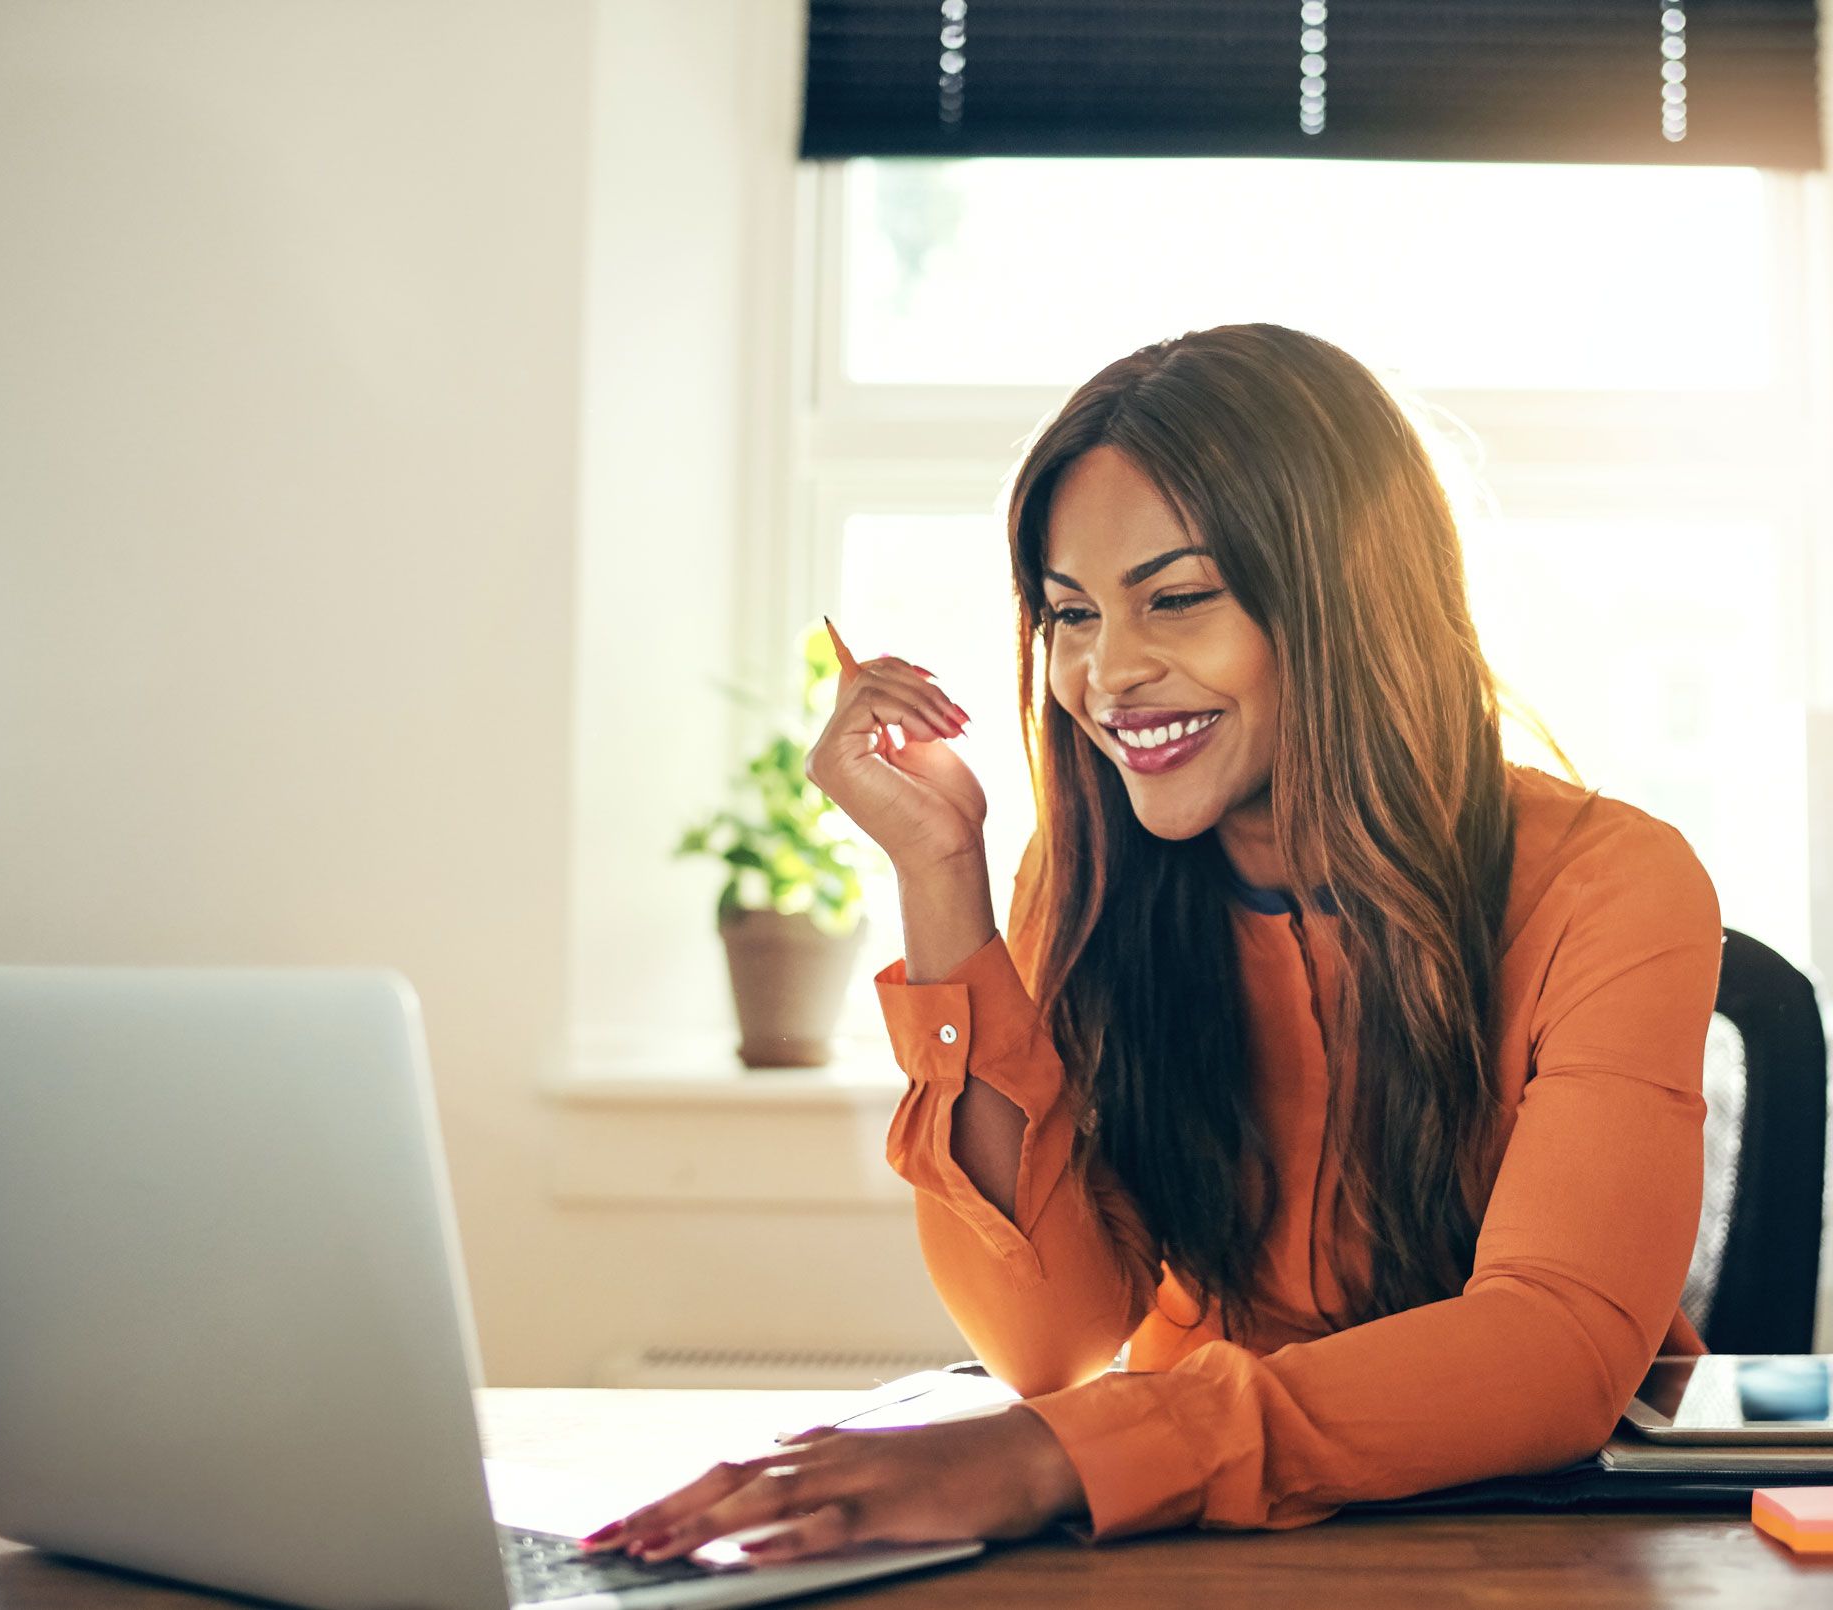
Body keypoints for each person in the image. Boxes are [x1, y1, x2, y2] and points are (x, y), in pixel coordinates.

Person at [581, 323, 1723, 1563]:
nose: (1104, 672)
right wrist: (939, 873)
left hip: (1525, 1543)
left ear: (1347, 596)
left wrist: (1055, 1455)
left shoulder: (1611, 882)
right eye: (1068, 614)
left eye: (1174, 598)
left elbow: (1549, 1344)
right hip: (1189, 1538)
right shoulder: (1084, 878)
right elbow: (1048, 1339)